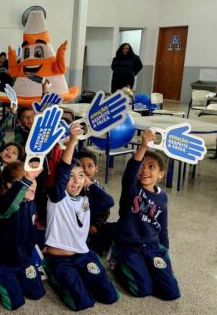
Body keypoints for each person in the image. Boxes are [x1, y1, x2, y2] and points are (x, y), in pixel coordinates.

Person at [43, 123, 119, 311]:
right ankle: (51, 271)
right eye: (71, 177)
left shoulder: (85, 198)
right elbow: (62, 172)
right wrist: (72, 142)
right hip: (59, 259)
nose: (76, 181)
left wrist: (89, 183)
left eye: (81, 176)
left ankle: (82, 274)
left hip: (83, 254)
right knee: (83, 303)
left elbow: (108, 201)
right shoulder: (57, 197)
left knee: (110, 297)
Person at [111, 129, 181, 301]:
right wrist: (143, 146)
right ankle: (118, 264)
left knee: (171, 293)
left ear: (161, 174)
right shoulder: (132, 188)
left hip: (151, 247)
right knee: (143, 289)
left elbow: (163, 228)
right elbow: (131, 170)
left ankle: (148, 268)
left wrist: (167, 259)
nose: (144, 170)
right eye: (142, 165)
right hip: (128, 246)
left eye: (151, 167)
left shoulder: (163, 197)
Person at [0, 161, 45, 310]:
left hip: (23, 258)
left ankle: (17, 276)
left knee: (37, 293)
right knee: (14, 302)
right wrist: (27, 178)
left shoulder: (30, 202)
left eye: (33, 180)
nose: (32, 185)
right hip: (2, 261)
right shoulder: (3, 203)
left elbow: (30, 229)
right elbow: (10, 204)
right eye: (25, 181)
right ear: (10, 186)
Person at [76, 150, 116, 256]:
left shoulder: (98, 187)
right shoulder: (73, 187)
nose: (86, 170)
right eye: (82, 166)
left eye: (90, 166)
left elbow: (106, 208)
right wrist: (87, 226)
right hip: (78, 226)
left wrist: (96, 225)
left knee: (115, 229)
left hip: (95, 225)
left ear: (96, 169)